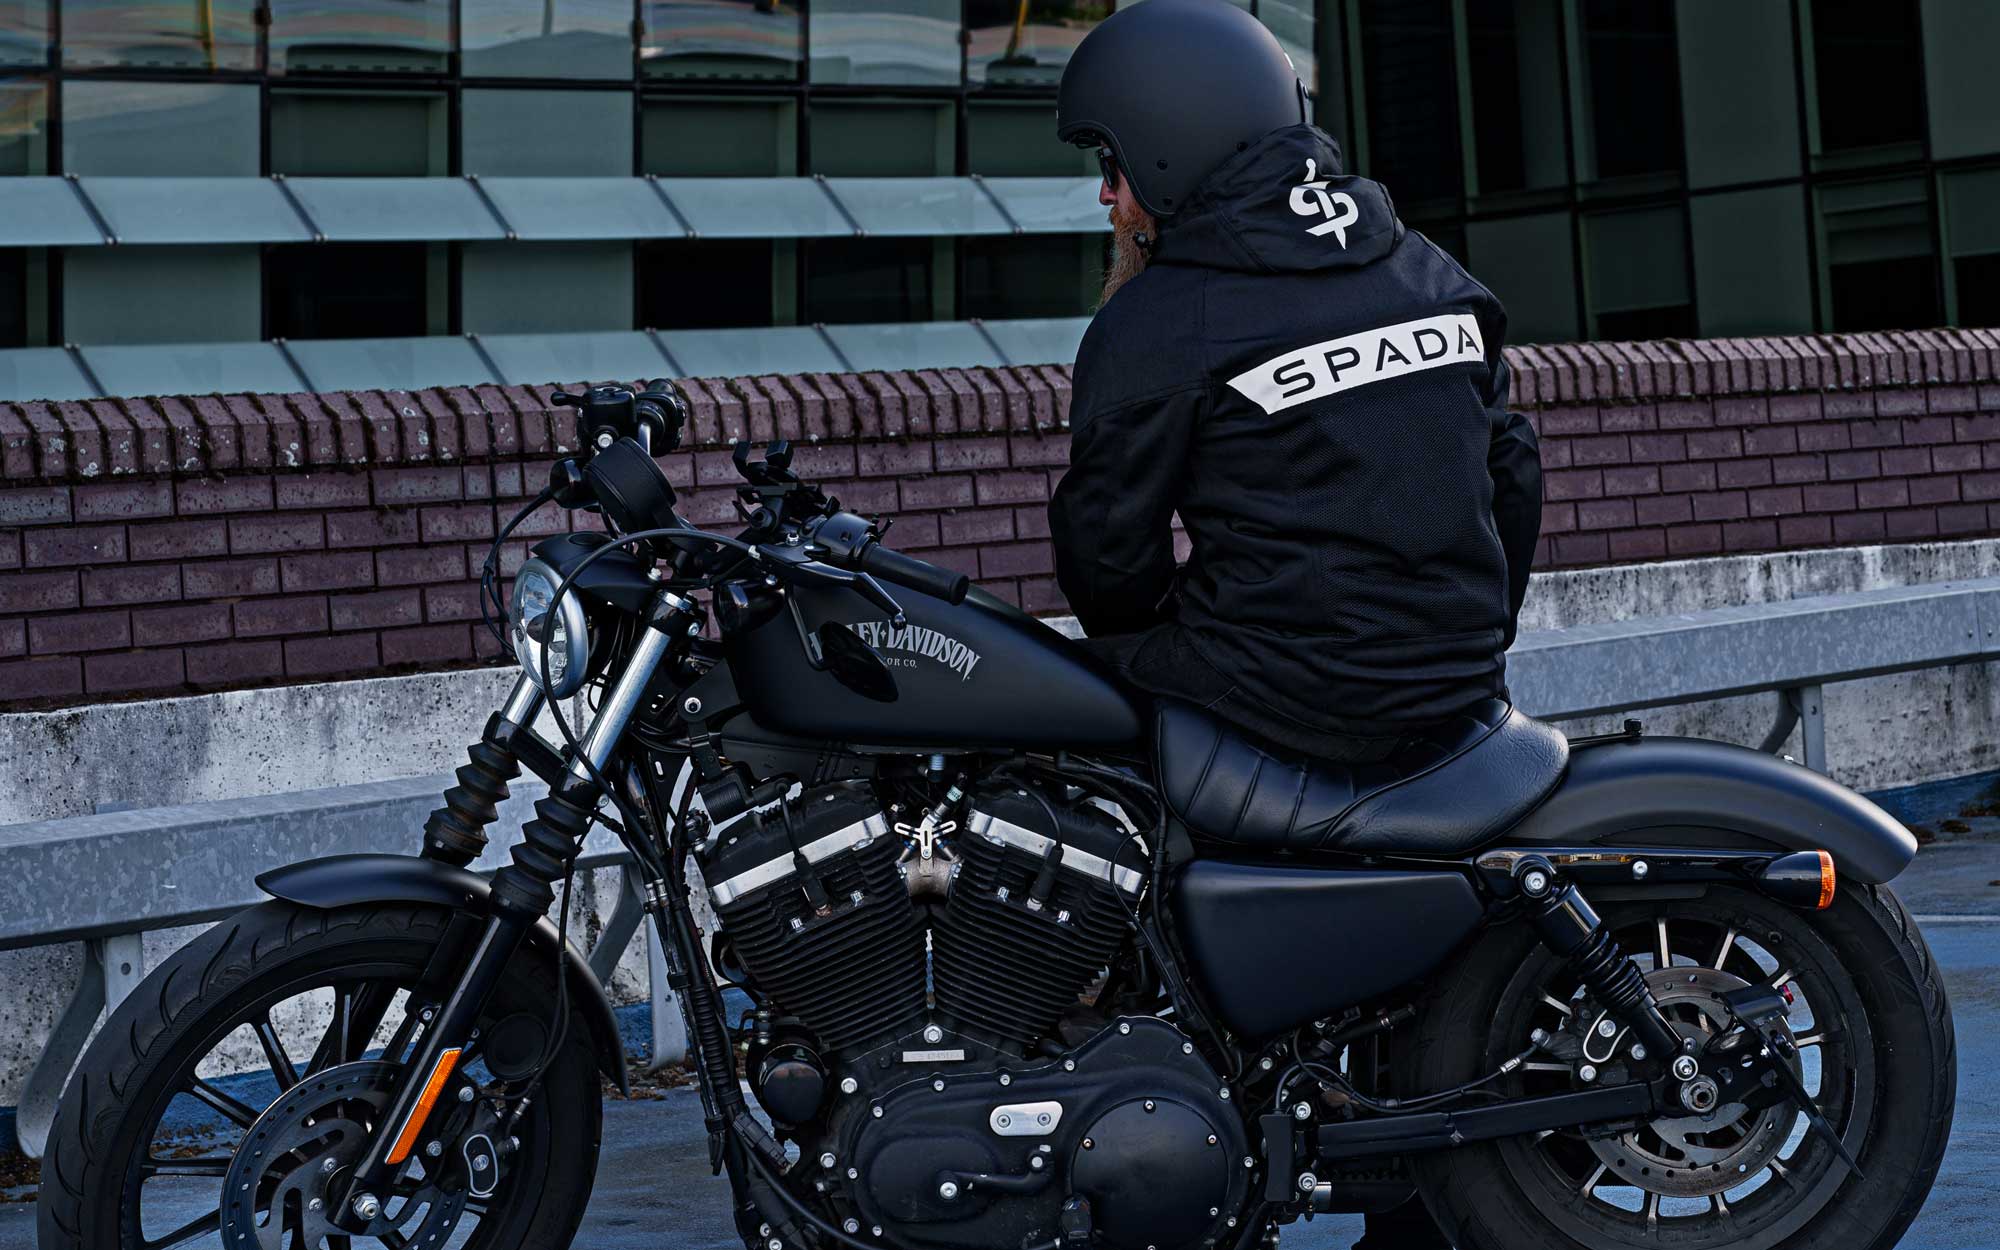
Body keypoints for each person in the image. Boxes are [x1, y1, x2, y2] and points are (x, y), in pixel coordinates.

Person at [1048, 1, 1542, 1245]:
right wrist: (1461, 631)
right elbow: (1512, 474)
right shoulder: (1427, 267)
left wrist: (1170, 633)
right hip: (1454, 691)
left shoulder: (1159, 322)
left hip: (1294, 693)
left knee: (1048, 741)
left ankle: (1122, 1051)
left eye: (1111, 167)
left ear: (1165, 150)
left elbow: (1104, 559)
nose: (1106, 201)